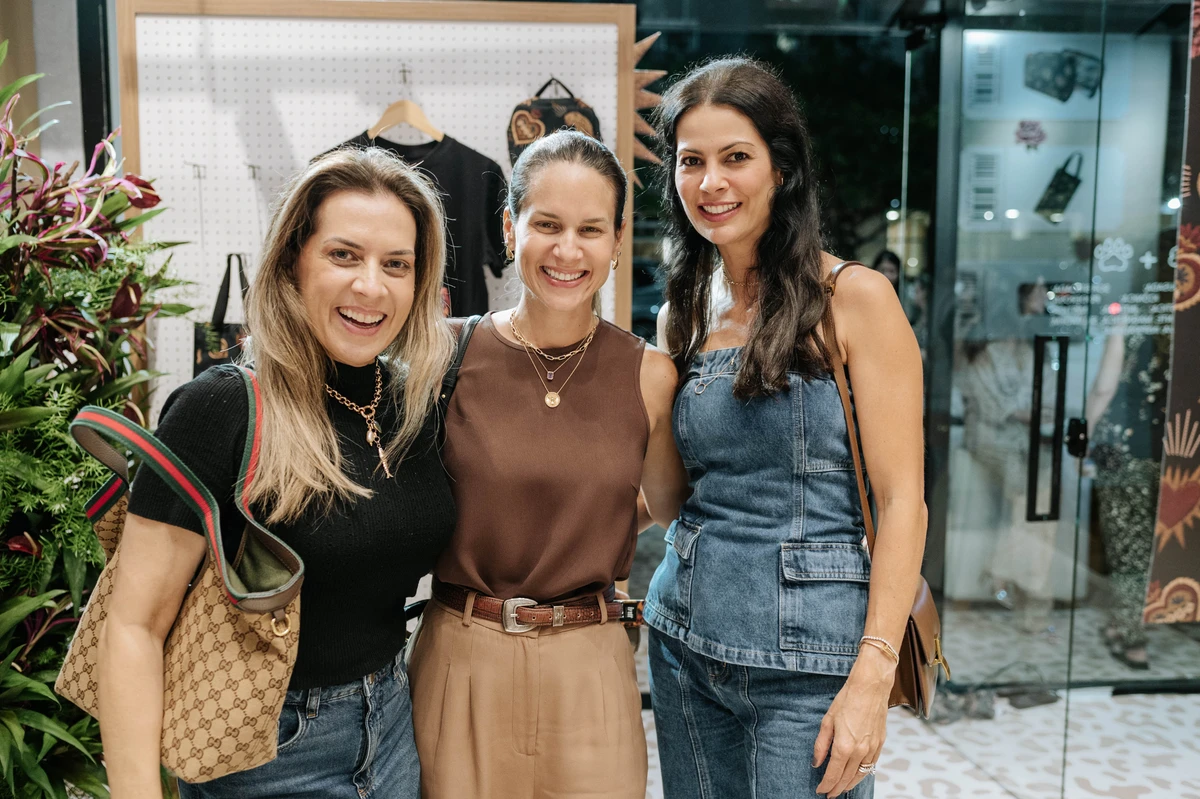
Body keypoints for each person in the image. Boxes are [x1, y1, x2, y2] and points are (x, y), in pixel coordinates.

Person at [99, 147, 456, 799]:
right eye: (344, 255)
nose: (371, 286)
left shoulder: (411, 404)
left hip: (396, 723)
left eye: (395, 265)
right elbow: (133, 626)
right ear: (294, 260)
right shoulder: (221, 407)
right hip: (268, 747)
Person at [644, 58, 927, 799]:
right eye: (692, 161)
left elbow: (903, 501)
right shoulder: (681, 315)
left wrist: (872, 671)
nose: (712, 183)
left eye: (736, 157)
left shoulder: (856, 300)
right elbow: (673, 499)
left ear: (782, 168)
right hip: (683, 645)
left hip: (812, 664)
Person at [407, 129, 686, 799]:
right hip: (461, 655)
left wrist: (595, 524)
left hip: (588, 660)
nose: (568, 250)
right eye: (547, 224)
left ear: (618, 240)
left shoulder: (650, 375)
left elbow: (667, 499)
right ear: (511, 227)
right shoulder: (443, 355)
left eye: (591, 229)